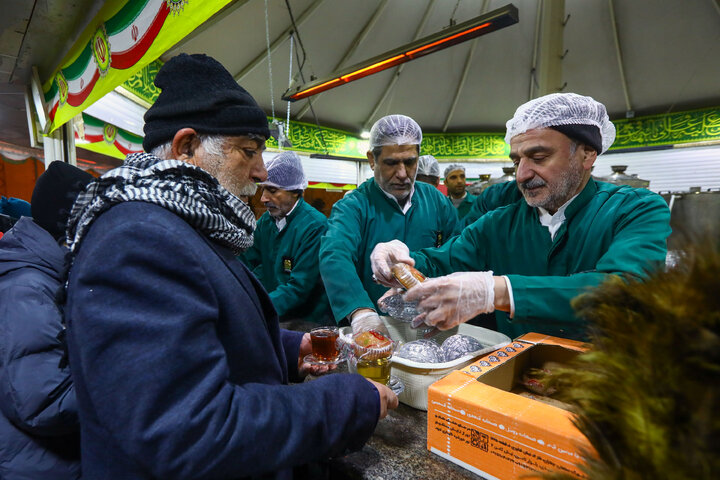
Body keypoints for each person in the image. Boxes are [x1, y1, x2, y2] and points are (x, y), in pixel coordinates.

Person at [63, 54, 396, 480]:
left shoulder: (180, 222)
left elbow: (203, 333)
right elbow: (187, 430)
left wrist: (289, 349)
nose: (260, 172)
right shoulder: (137, 240)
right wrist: (345, 401)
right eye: (248, 152)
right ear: (187, 148)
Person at [370, 93, 671, 341]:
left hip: (602, 385)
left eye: (538, 158)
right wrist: (399, 260)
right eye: (517, 161)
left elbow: (626, 290)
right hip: (513, 377)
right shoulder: (499, 223)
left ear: (587, 154)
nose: (522, 175)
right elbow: (439, 261)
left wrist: (497, 291)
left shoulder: (634, 209)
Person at [319, 114, 460, 334]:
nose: (402, 174)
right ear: (372, 160)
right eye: (391, 163)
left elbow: (457, 252)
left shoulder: (435, 201)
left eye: (410, 162)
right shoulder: (354, 205)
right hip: (376, 327)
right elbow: (334, 255)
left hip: (430, 323)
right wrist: (360, 312)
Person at [0, 161, 93, 480]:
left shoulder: (47, 277)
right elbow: (44, 403)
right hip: (43, 468)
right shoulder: (26, 290)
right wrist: (122, 380)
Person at [243, 151, 332, 324]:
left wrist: (258, 308)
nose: (263, 198)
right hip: (274, 311)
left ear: (295, 192)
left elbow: (299, 287)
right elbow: (249, 261)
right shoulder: (266, 222)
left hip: (305, 320)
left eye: (273, 190)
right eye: (263, 189)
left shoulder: (315, 226)